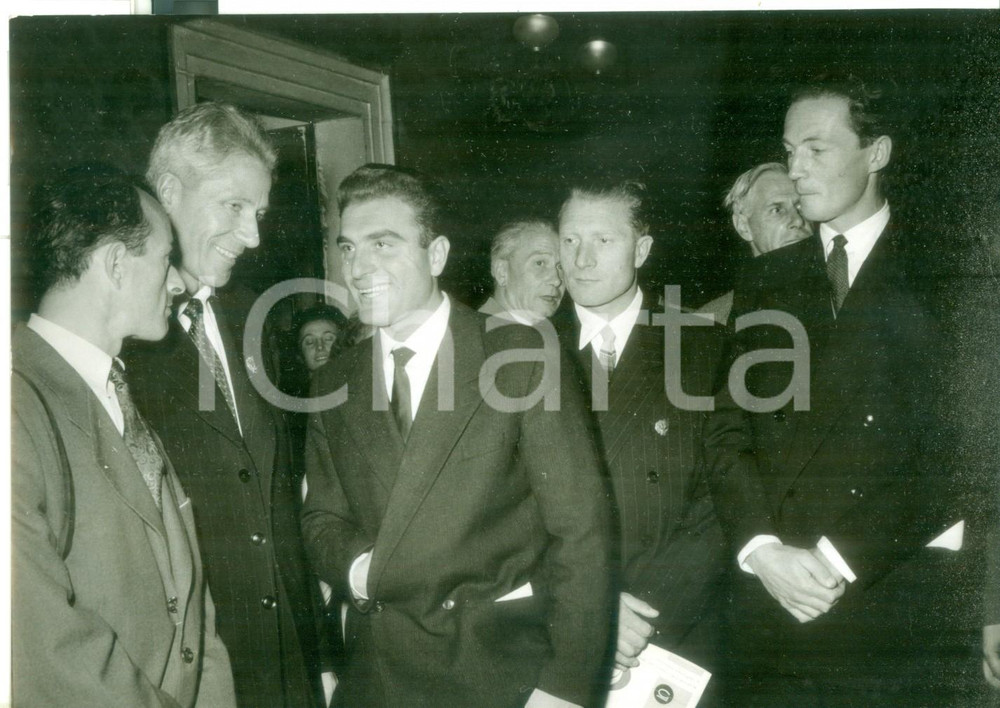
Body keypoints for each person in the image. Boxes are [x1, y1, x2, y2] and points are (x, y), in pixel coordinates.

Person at [301, 164, 613, 708]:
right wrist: (362, 569)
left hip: (498, 676)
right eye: (347, 249)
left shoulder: (518, 354)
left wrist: (565, 689)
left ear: (437, 255)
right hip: (379, 678)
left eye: (383, 244)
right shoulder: (334, 379)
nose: (358, 267)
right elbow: (320, 517)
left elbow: (581, 533)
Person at [704, 74, 969, 707]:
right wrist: (763, 550)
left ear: (876, 153)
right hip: (767, 607)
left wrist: (834, 560)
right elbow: (726, 429)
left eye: (816, 149)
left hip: (886, 602)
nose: (796, 169)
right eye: (790, 151)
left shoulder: (953, 272)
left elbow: (964, 450)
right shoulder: (767, 280)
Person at [125, 102, 325, 708]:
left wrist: (319, 661)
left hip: (287, 666)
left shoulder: (254, 321)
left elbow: (279, 507)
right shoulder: (121, 344)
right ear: (166, 191)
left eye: (259, 213)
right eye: (233, 207)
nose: (254, 236)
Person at [12, 165, 236, 707]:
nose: (179, 281)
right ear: (115, 264)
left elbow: (192, 613)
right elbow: (42, 646)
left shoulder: (116, 387)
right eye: (164, 260)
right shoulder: (14, 404)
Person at [552, 181, 728, 694]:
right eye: (569, 240)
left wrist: (642, 617)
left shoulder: (703, 347)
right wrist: (593, 609)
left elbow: (722, 499)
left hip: (674, 630)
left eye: (603, 241)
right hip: (560, 626)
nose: (581, 259)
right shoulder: (517, 351)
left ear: (642, 249)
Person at [698, 163, 812, 324]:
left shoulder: (844, 292)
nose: (798, 220)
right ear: (743, 226)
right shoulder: (711, 321)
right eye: (777, 210)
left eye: (801, 207)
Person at [479, 219, 564, 323]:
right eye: (539, 263)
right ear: (502, 272)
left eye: (561, 267)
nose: (556, 280)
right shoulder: (475, 335)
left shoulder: (544, 334)